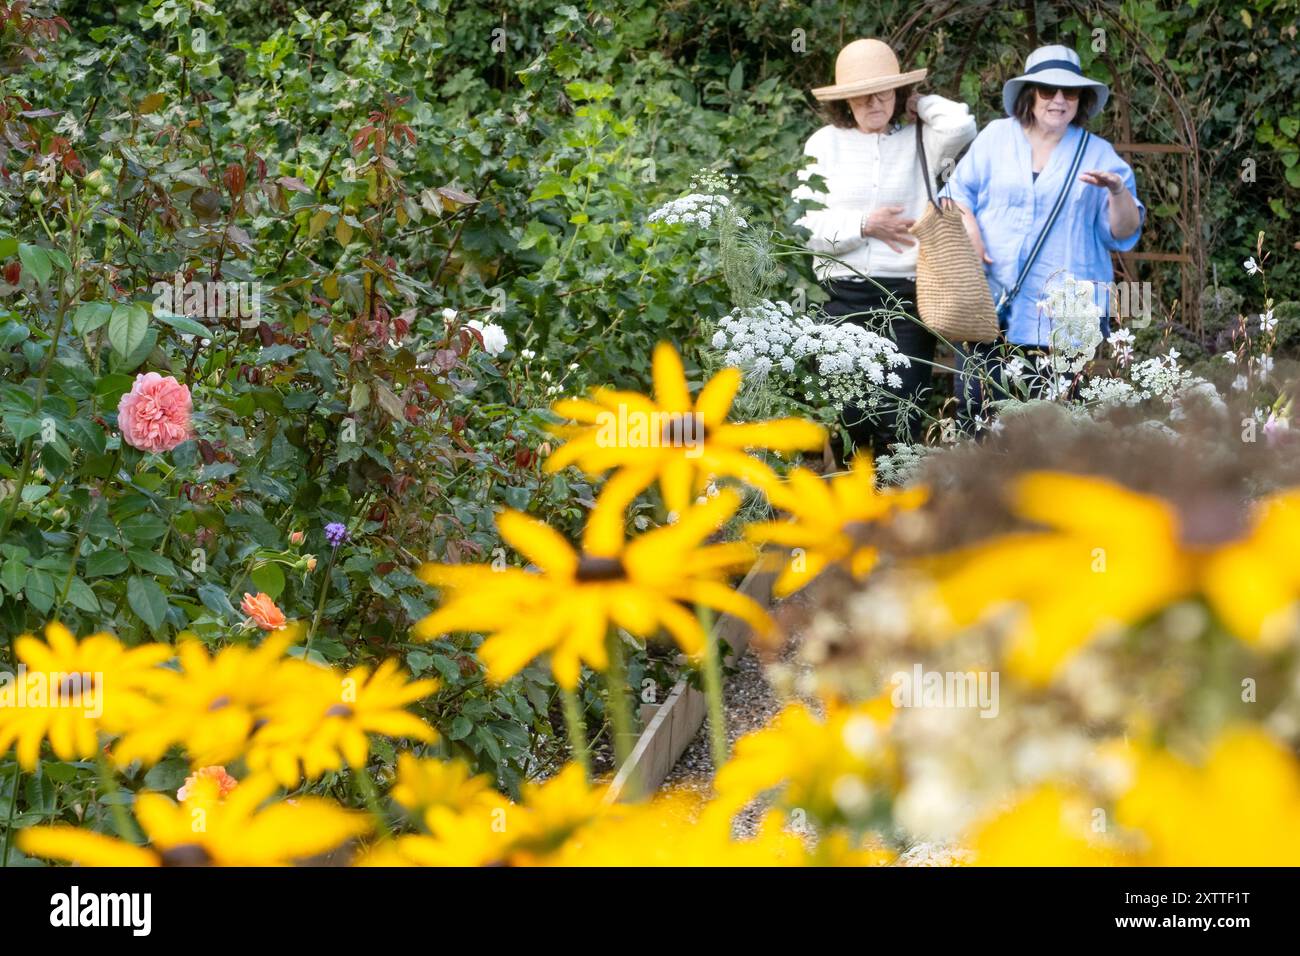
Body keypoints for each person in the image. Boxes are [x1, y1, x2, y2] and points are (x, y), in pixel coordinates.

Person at [941, 44, 1144, 427]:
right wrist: (969, 225)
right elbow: (953, 195)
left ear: (1081, 99)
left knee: (1052, 428)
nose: (1059, 99)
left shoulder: (1099, 154)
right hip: (988, 307)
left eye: (1070, 92)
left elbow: (1124, 232)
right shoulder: (995, 137)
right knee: (979, 417)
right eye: (1048, 90)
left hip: (1065, 317)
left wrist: (1118, 191)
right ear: (1029, 94)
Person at [794, 38, 976, 458]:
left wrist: (921, 103)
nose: (874, 101)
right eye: (862, 94)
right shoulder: (825, 144)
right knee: (851, 408)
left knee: (904, 409)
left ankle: (894, 508)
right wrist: (865, 225)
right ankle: (850, 505)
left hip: (907, 294)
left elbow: (962, 125)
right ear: (845, 101)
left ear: (898, 93)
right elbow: (808, 227)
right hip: (842, 293)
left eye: (884, 90)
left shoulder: (923, 139)